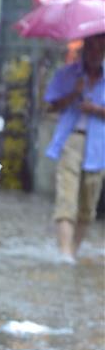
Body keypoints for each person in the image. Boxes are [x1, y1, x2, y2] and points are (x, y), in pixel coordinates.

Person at [43, 32, 105, 263]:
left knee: (88, 205)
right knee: (66, 198)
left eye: (101, 49)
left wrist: (96, 109)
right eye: (91, 48)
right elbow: (49, 106)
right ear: (84, 49)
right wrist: (73, 95)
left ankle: (73, 250)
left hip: (100, 145)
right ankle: (65, 254)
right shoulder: (67, 74)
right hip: (71, 140)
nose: (95, 53)